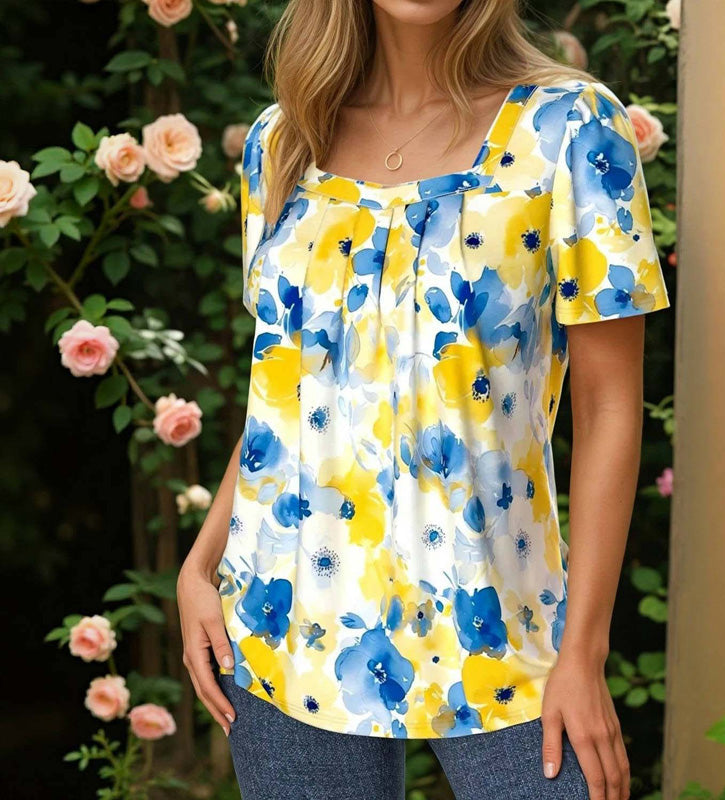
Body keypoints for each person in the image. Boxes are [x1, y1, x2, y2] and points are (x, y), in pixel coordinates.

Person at [177, 1, 671, 798]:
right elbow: (292, 397)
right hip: (282, 634)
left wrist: (584, 653)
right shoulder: (283, 141)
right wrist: (200, 566)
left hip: (505, 639)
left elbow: (609, 408)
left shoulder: (571, 127)